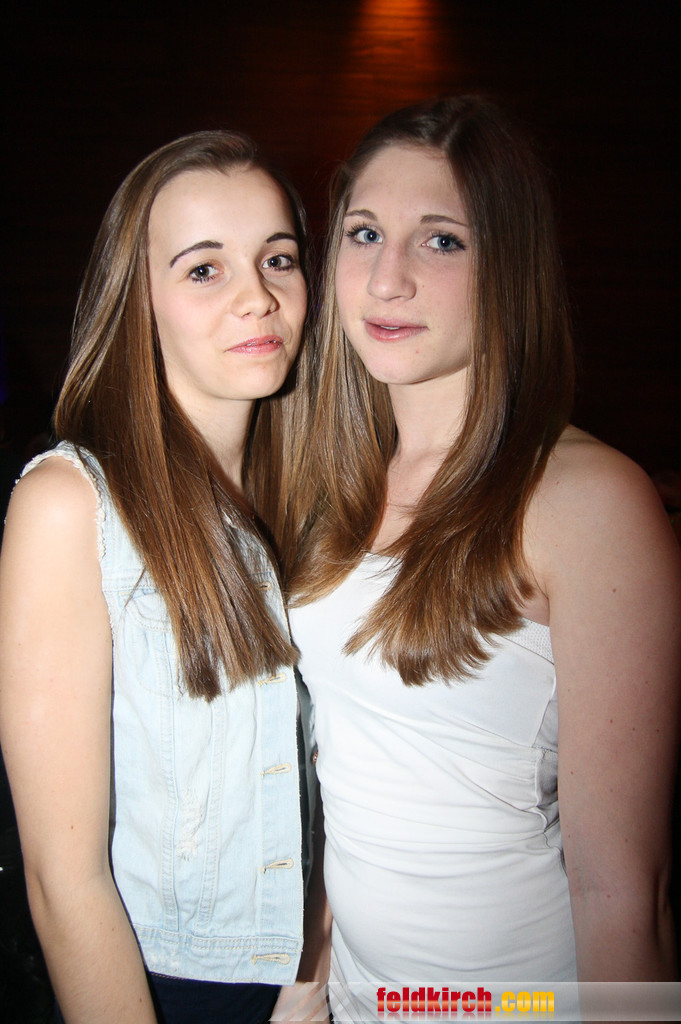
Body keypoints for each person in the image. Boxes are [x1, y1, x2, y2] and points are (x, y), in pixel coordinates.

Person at [285, 96, 681, 1020]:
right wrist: (309, 986)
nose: (387, 280)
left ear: (509, 264)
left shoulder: (586, 500)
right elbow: (344, 775)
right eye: (364, 233)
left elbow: (623, 892)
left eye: (441, 241)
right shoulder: (330, 483)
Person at [0, 129, 315, 1024]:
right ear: (135, 304)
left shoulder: (317, 507)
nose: (258, 297)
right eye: (204, 269)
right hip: (161, 991)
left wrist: (313, 970)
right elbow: (63, 881)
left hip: (315, 981)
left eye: (278, 259)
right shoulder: (73, 505)